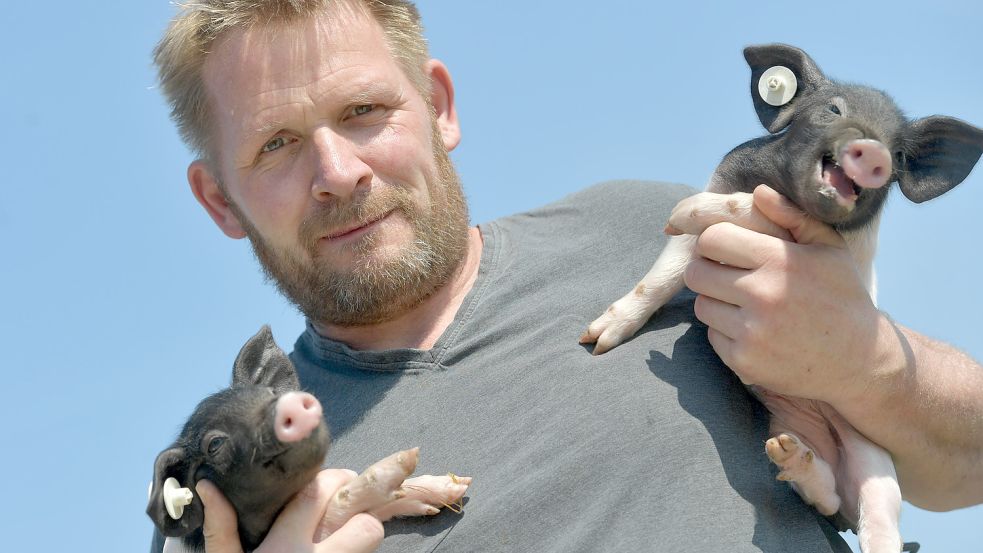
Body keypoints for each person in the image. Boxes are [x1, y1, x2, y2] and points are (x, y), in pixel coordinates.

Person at [150, 1, 983, 551]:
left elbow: (970, 462)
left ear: (439, 107)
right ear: (219, 199)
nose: (337, 171)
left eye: (364, 112)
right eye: (276, 144)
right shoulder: (230, 484)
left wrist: (867, 361)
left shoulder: (647, 228)